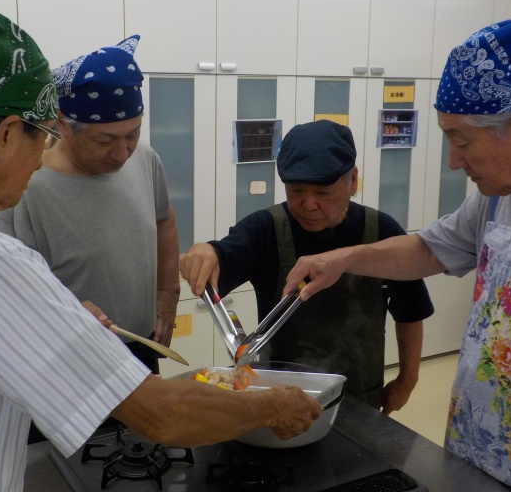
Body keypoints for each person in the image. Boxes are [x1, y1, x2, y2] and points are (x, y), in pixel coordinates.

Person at [0, 1, 320, 491]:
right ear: (6, 136)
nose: (40, 159)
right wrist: (270, 406)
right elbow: (161, 416)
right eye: (42, 136)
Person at [283, 20, 511, 492]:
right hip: (480, 463)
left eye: (462, 140)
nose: (454, 160)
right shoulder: (501, 195)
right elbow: (429, 249)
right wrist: (344, 259)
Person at [180, 119, 434, 413]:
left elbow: (410, 311)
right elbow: (222, 256)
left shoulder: (383, 232)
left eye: (323, 193)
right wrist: (206, 253)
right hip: (278, 403)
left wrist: (407, 380)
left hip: (359, 396)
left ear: (352, 180)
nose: (308, 204)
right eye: (296, 190)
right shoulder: (266, 230)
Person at [0, 37, 178, 376]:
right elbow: (4, 290)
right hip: (68, 360)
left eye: (132, 135)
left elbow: (163, 219)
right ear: (64, 125)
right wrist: (64, 315)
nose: (122, 153)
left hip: (142, 347)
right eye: (105, 140)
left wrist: (167, 292)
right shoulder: (25, 188)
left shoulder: (145, 158)